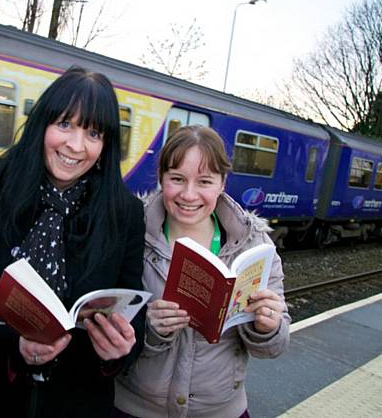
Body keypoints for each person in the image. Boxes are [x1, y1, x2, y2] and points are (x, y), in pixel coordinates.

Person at [0, 66, 146, 418]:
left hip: (75, 402)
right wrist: (13, 345)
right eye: (65, 124)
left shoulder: (124, 213)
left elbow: (134, 308)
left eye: (93, 133)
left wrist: (119, 349)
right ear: (41, 124)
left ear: (106, 145)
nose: (76, 146)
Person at [114, 125, 290, 418]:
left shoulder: (254, 245)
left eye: (205, 181)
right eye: (177, 179)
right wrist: (149, 328)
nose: (189, 194)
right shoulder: (132, 234)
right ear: (161, 178)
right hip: (134, 408)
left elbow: (273, 347)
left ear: (222, 183)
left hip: (221, 411)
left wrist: (267, 327)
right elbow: (104, 323)